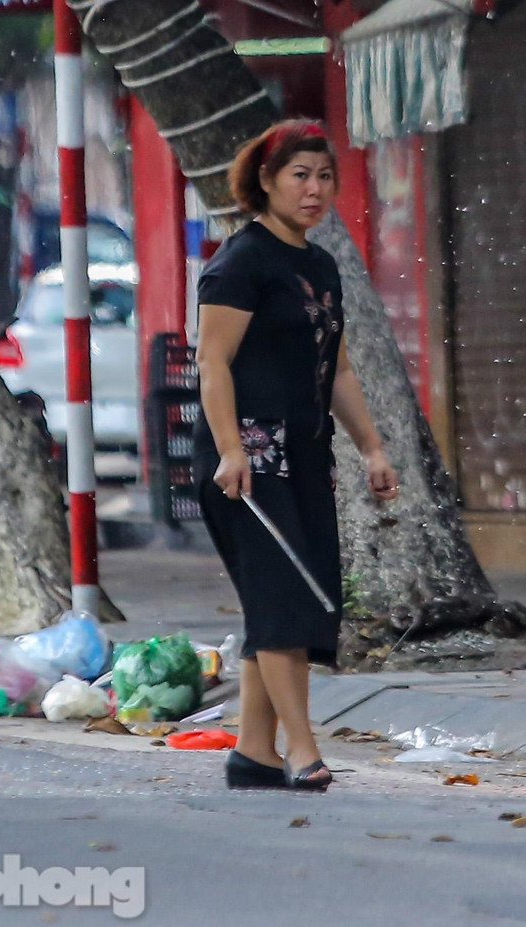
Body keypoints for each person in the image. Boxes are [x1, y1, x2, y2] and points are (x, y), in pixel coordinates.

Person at [192, 119, 398, 791]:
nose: (314, 190)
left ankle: (253, 752)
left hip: (307, 454)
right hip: (247, 458)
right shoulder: (240, 261)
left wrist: (371, 447)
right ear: (266, 181)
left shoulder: (320, 265)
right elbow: (212, 362)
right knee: (283, 599)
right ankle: (303, 750)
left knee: (291, 601)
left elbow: (338, 370)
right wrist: (229, 449)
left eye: (324, 176)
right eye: (299, 176)